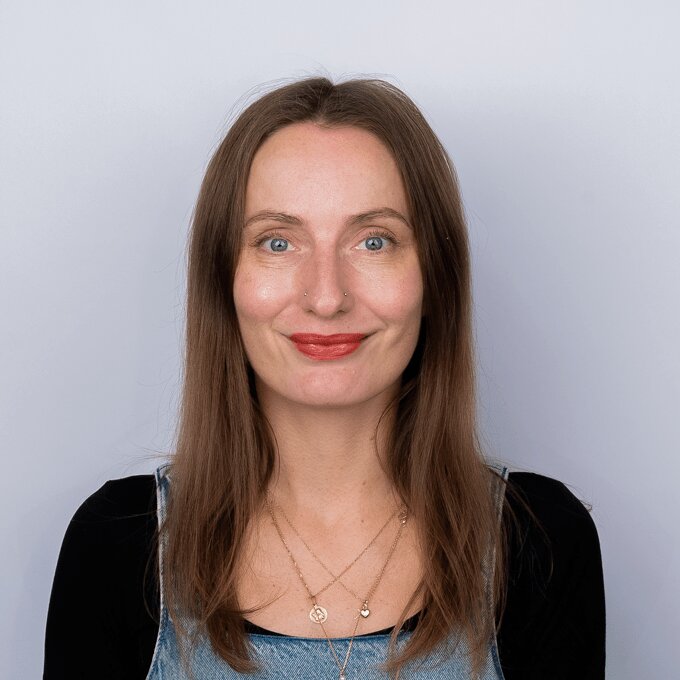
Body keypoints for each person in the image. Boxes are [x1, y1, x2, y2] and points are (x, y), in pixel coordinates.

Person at [44, 77, 606, 679]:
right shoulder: (118, 543)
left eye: (374, 241)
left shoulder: (540, 541)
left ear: (435, 278)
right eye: (278, 242)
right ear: (223, 281)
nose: (326, 296)